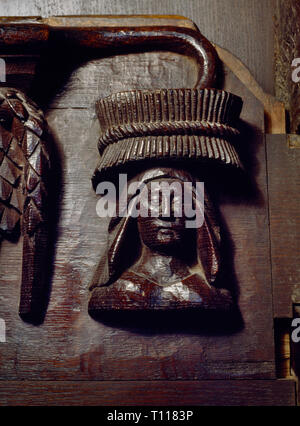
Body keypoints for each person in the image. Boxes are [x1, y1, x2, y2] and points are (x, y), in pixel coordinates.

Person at [88, 167, 233, 313]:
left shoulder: (211, 296)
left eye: (178, 202)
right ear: (134, 213)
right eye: (155, 201)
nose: (166, 214)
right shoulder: (111, 295)